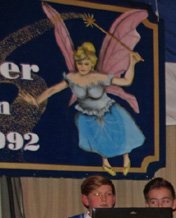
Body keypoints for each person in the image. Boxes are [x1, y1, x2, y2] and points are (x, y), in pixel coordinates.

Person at [22, 42, 144, 176]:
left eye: (86, 64)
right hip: (88, 114)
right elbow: (53, 89)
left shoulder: (99, 77)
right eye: (80, 63)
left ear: (92, 64)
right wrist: (36, 101)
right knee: (98, 139)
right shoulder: (72, 77)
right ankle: (105, 161)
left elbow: (126, 81)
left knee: (119, 134)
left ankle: (126, 157)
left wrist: (132, 63)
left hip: (108, 110)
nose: (83, 67)